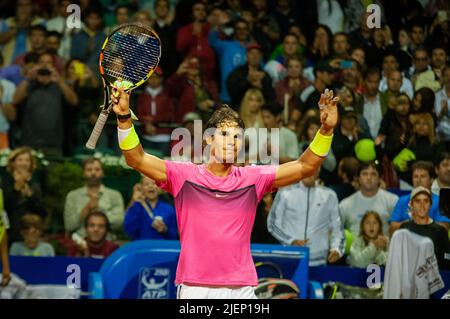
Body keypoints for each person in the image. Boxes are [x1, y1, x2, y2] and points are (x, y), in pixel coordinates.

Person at [111, 78, 338, 299]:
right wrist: (123, 118)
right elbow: (137, 160)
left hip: (242, 288)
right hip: (196, 287)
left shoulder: (253, 178)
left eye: (238, 136)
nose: (232, 141)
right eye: (225, 134)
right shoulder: (184, 176)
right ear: (209, 140)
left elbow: (305, 166)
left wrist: (326, 131)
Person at [268, 170, 344, 266]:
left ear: (319, 169)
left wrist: (336, 248)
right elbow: (272, 224)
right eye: (308, 166)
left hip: (319, 261)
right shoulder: (285, 193)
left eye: (315, 167)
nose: (311, 170)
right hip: (290, 257)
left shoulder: (329, 195)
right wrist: (291, 240)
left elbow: (338, 227)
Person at [12, 51, 78, 156]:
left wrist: (59, 81)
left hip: (53, 143)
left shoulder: (59, 84)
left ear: (53, 66)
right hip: (29, 142)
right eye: (41, 62)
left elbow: (73, 101)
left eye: (48, 63)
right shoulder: (29, 84)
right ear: (37, 65)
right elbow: (15, 100)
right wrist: (28, 78)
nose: (45, 65)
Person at [64, 157, 125, 238]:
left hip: (108, 244)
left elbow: (119, 224)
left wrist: (98, 210)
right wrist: (87, 208)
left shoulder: (114, 195)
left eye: (97, 169)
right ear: (83, 173)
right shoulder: (72, 196)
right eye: (89, 170)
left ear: (103, 173)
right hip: (79, 243)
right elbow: (69, 226)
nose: (93, 173)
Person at [389, 161, 450, 236]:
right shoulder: (402, 200)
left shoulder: (441, 201)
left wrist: (423, 222)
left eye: (423, 176)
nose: (419, 180)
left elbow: (445, 228)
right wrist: (410, 223)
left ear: (431, 180)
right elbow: (392, 228)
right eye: (415, 176)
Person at [339, 162, 398, 236]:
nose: (369, 178)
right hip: (355, 247)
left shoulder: (392, 200)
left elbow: (400, 229)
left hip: (384, 247)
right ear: (358, 179)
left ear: (379, 179)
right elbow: (334, 231)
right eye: (364, 174)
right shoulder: (345, 205)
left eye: (373, 174)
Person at [1, 147, 46, 244]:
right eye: (20, 160)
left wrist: (30, 195)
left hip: (32, 232)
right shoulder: (5, 182)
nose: (24, 163)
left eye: (27, 160)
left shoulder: (35, 184)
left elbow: (42, 212)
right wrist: (16, 189)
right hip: (9, 230)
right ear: (13, 163)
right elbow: (4, 207)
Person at [399, 186, 450, 269]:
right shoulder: (404, 229)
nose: (422, 205)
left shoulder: (440, 231)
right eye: (418, 201)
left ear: (430, 205)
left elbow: (447, 264)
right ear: (411, 204)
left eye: (426, 201)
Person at [124, 176, 178, 240]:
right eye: (146, 184)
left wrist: (165, 230)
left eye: (154, 183)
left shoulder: (169, 209)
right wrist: (133, 201)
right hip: (141, 247)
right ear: (142, 189)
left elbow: (175, 236)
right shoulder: (136, 206)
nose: (150, 186)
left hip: (161, 247)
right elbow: (128, 230)